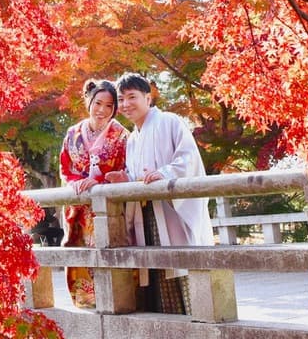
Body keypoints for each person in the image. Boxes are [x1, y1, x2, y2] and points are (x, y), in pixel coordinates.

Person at [103, 72, 207, 314]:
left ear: (148, 98)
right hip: (146, 212)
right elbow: (138, 173)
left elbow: (188, 157)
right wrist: (126, 178)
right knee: (156, 275)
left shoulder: (169, 121)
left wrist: (165, 173)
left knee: (177, 270)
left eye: (132, 97)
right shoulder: (133, 139)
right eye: (122, 99)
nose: (126, 104)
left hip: (170, 210)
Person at [58, 79, 129, 308]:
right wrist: (76, 182)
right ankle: (85, 301)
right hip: (78, 207)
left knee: (108, 251)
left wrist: (97, 180)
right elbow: (65, 167)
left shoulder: (121, 135)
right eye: (98, 103)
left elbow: (127, 169)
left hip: (106, 208)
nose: (102, 110)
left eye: (109, 106)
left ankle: (114, 299)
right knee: (77, 251)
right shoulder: (73, 133)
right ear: (89, 101)